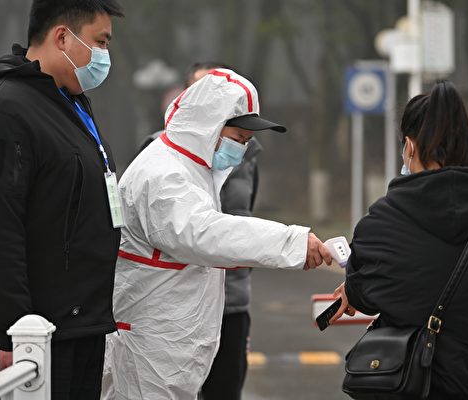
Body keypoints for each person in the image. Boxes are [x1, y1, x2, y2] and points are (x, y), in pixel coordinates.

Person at [101, 68, 332, 400]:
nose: (241, 150)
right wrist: (293, 243)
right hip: (149, 352)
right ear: (207, 126)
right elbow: (206, 233)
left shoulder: (190, 169)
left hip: (165, 351)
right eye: (238, 138)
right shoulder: (163, 176)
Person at [0, 1, 124, 398]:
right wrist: (12, 332)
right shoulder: (1, 115)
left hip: (79, 325)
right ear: (62, 36)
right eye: (100, 42)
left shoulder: (69, 105)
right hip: (33, 337)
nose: (105, 56)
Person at [331, 81, 468, 399]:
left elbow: (364, 294)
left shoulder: (382, 223)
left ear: (410, 147)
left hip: (415, 386)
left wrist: (350, 288)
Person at [138, 62, 259, 400]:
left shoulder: (245, 157)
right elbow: (202, 233)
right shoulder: (162, 158)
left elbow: (243, 218)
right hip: (177, 305)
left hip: (231, 303)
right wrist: (293, 244)